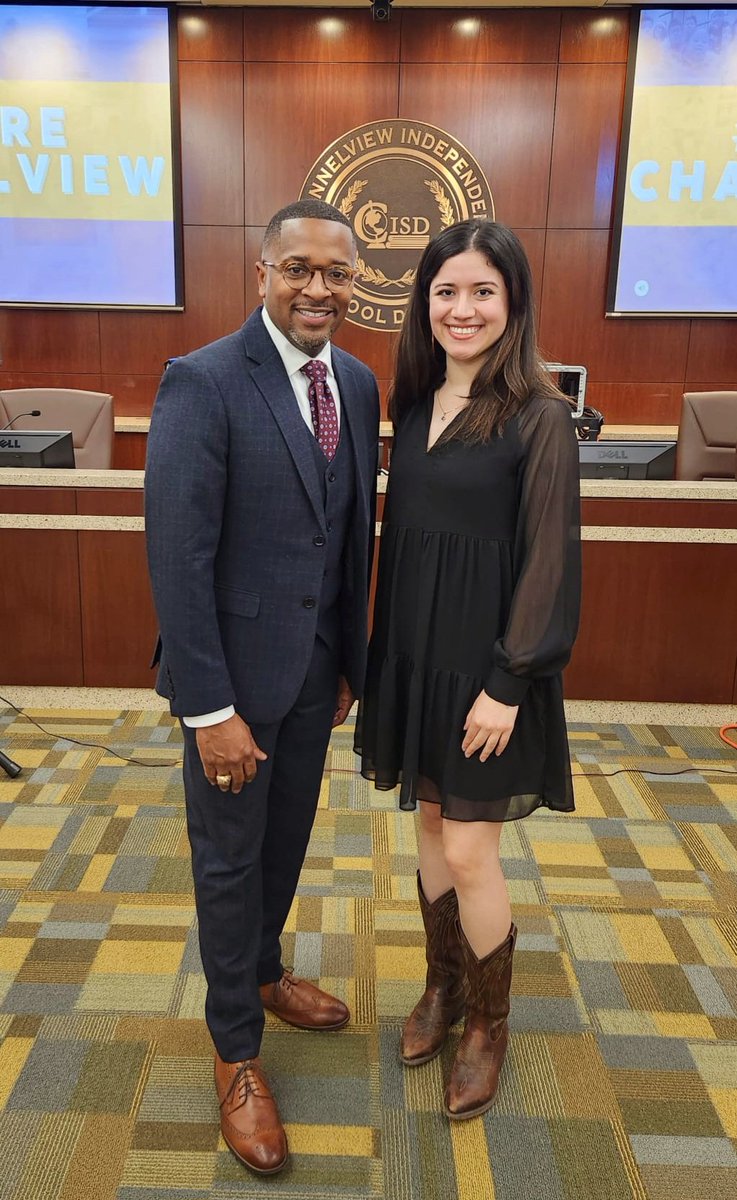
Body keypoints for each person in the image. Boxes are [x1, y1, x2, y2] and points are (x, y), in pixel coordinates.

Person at [145, 198, 380, 1175]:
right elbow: (177, 556)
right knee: (229, 865)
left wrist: (346, 667)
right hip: (231, 694)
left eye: (335, 271)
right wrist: (208, 711)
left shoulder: (360, 384)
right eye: (297, 269)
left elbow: (345, 537)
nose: (317, 288)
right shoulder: (202, 382)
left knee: (284, 844)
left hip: (313, 675)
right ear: (263, 273)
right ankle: (235, 1049)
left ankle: (269, 973)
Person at [355, 219, 581, 1120]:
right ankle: (441, 988)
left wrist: (509, 681)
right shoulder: (411, 408)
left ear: (512, 303)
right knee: (427, 833)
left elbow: (548, 565)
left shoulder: (539, 415)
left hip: (489, 674)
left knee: (468, 849)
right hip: (415, 661)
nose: (462, 308)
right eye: (446, 290)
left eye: (482, 291)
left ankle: (488, 1021)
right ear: (424, 303)